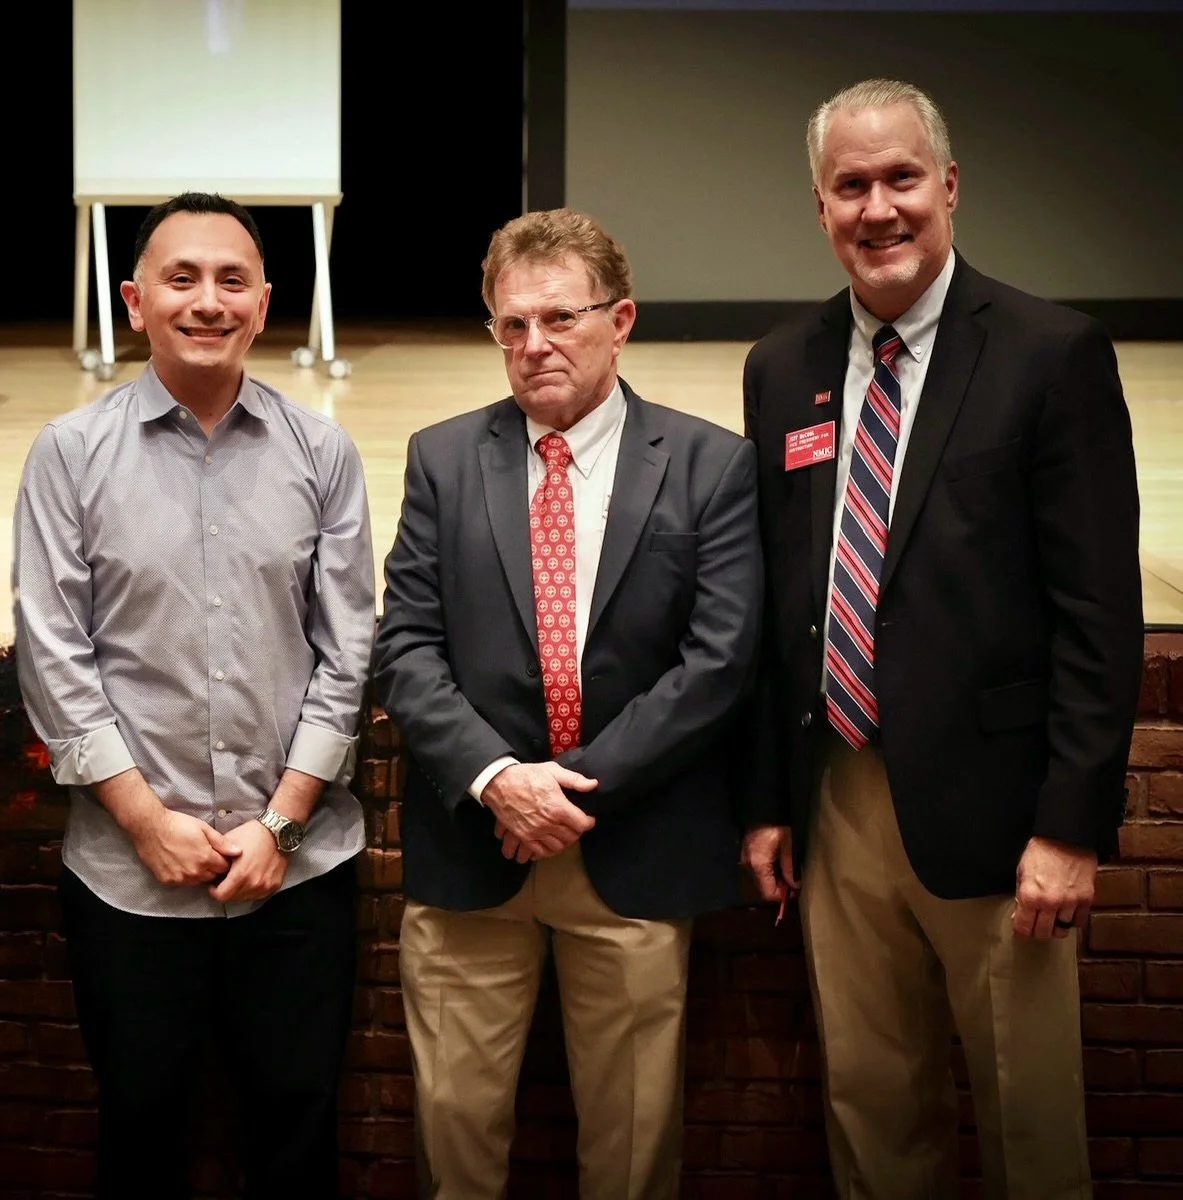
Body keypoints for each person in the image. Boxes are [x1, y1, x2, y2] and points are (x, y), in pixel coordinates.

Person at [741, 79, 1143, 1199]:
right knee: (870, 1107)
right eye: (850, 185)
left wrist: (1070, 827)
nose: (879, 208)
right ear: (819, 207)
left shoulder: (1047, 354)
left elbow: (1099, 615)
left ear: (950, 187)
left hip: (998, 813)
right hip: (838, 797)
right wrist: (773, 798)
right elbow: (785, 606)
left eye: (901, 178)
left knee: (1028, 1119)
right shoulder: (783, 368)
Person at [372, 207, 762, 1200]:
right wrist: (502, 781)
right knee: (454, 1137)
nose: (533, 345)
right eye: (510, 325)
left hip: (630, 849)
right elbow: (406, 649)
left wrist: (570, 792)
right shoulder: (443, 460)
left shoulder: (710, 464)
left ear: (620, 318)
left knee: (632, 1151)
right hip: (473, 850)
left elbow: (716, 662)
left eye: (559, 317)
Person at [13, 192, 375, 1199]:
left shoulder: (322, 454)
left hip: (296, 881)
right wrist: (143, 821)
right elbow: (53, 656)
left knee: (299, 1135)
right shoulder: (70, 456)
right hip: (128, 882)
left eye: (231, 281)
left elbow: (347, 656)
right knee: (139, 1134)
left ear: (264, 303)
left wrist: (284, 828)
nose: (207, 301)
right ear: (135, 302)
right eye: (182, 279)